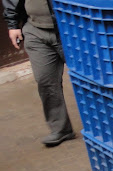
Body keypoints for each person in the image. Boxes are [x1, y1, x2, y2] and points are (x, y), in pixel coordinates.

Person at [3, 0, 75, 147]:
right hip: (35, 29)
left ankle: (103, 126)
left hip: (71, 28)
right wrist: (12, 24)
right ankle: (61, 129)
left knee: (90, 79)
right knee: (45, 81)